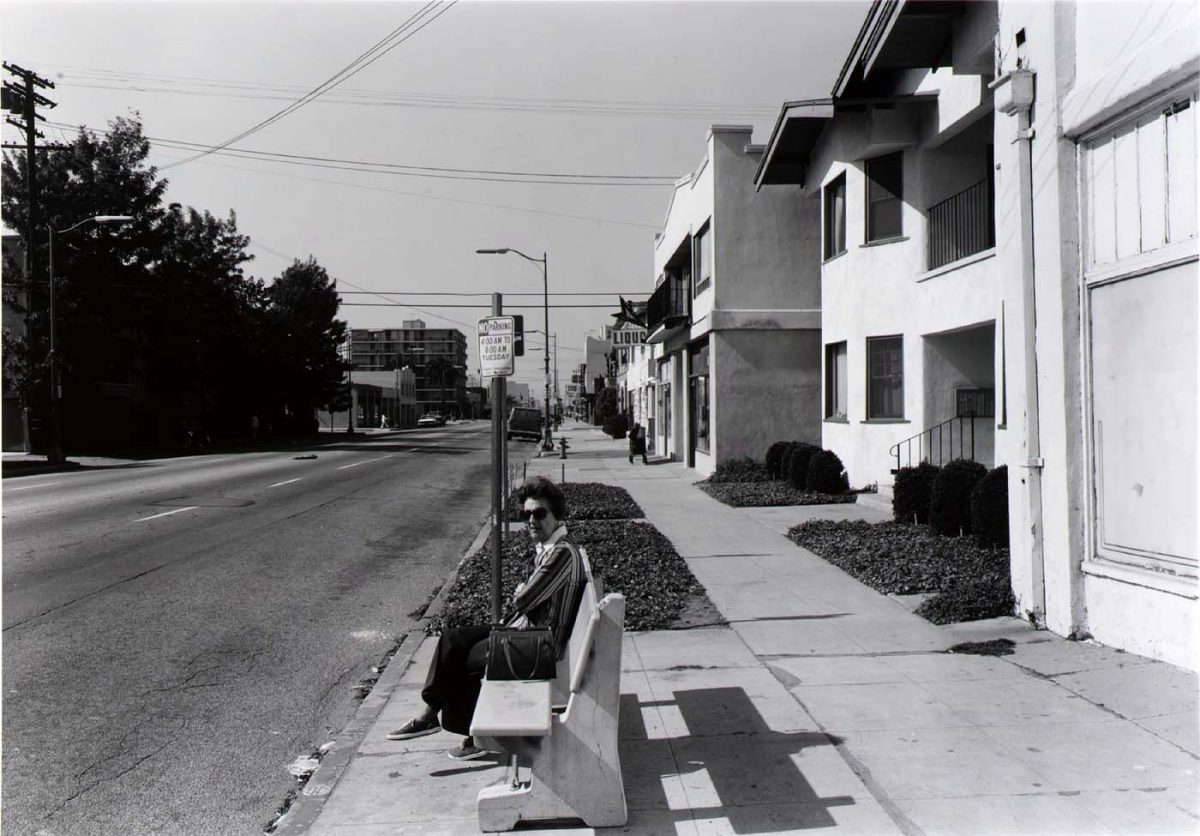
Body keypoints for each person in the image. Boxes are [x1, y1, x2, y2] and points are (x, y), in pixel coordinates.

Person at [386, 476, 586, 760]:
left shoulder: (562, 554)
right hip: (527, 633)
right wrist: (524, 593)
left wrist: (523, 592)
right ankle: (434, 715)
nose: (531, 520)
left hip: (540, 646)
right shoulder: (554, 548)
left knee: (462, 660)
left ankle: (466, 731)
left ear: (557, 515)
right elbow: (527, 597)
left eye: (540, 513)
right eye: (526, 514)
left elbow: (522, 599)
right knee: (452, 639)